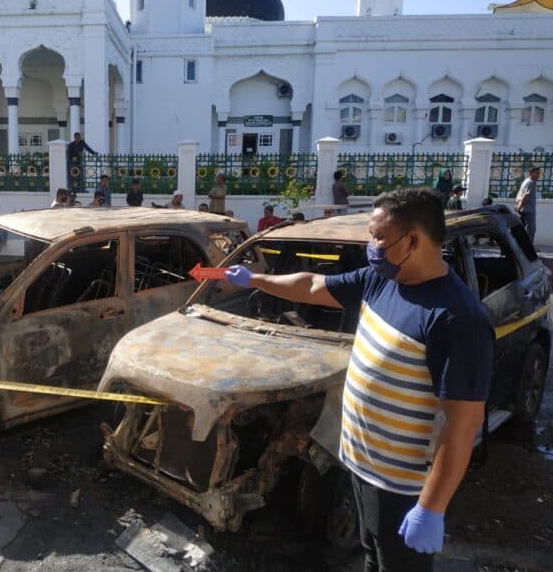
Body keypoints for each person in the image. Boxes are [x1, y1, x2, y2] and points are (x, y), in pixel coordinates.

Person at [224, 187, 494, 572]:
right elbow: (312, 286)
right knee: (371, 555)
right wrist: (255, 280)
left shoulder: (456, 318)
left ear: (412, 240)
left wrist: (431, 507)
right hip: (360, 464)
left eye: (377, 236)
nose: (371, 245)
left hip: (401, 488)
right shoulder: (381, 280)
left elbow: (463, 424)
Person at [515, 166, 541, 243]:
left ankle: (517, 245)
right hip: (528, 210)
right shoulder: (531, 182)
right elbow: (526, 196)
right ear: (530, 173)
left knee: (521, 228)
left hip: (523, 208)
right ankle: (528, 248)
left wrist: (519, 206)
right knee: (531, 229)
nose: (538, 175)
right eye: (536, 173)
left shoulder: (526, 181)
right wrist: (520, 206)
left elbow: (521, 194)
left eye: (539, 173)